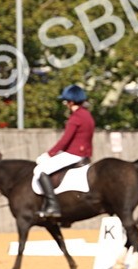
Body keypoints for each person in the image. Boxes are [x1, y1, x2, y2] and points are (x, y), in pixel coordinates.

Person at [33, 84, 95, 219]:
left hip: (74, 154)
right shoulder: (87, 115)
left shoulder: (76, 117)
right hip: (84, 153)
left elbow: (64, 140)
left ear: (71, 102)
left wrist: (48, 154)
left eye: (66, 101)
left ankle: (52, 206)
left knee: (40, 170)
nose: (65, 104)